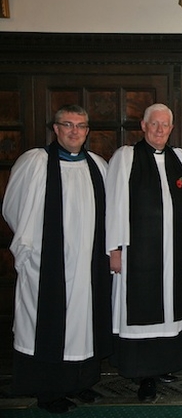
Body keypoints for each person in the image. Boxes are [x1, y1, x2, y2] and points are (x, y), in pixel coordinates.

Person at [2, 104, 112, 413]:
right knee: (48, 325)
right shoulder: (36, 163)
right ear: (56, 128)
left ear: (87, 131)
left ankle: (80, 383)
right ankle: (47, 390)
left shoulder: (97, 166)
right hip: (46, 263)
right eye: (68, 125)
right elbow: (13, 207)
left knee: (83, 324)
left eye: (80, 126)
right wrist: (32, 247)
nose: (74, 131)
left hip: (87, 263)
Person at [106, 103, 182, 402]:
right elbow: (115, 204)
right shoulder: (127, 157)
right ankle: (143, 373)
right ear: (143, 126)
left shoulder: (179, 158)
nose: (159, 129)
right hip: (138, 254)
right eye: (153, 124)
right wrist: (114, 249)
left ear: (172, 128)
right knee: (142, 305)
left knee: (170, 307)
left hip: (173, 254)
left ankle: (165, 365)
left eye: (165, 125)